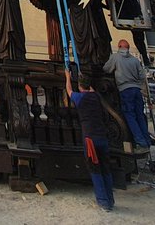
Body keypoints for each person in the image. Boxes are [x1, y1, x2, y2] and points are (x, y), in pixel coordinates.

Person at [66, 67, 115, 212]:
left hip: (90, 139)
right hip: (102, 137)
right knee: (105, 168)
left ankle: (103, 201)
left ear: (80, 87)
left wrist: (68, 77)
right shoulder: (96, 97)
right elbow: (91, 90)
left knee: (95, 168)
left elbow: (69, 91)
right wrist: (84, 80)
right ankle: (110, 199)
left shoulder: (80, 98)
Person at [103, 39, 152, 150]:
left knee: (130, 115)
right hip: (136, 90)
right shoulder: (135, 60)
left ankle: (140, 140)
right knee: (140, 115)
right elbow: (142, 76)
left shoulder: (116, 57)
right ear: (128, 48)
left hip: (125, 90)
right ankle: (146, 139)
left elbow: (106, 68)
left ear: (119, 46)